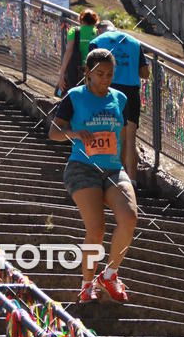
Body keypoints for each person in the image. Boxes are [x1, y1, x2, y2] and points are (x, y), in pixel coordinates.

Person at [48, 48, 137, 303]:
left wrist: (126, 168)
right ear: (87, 73)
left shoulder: (120, 98)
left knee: (129, 217)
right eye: (99, 74)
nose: (105, 79)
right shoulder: (75, 96)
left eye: (109, 74)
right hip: (82, 167)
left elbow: (122, 136)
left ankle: (109, 275)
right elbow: (54, 132)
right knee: (97, 228)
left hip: (112, 168)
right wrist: (75, 133)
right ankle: (87, 284)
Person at [89, 21, 149, 185]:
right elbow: (145, 73)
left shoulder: (98, 42)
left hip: (110, 90)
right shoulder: (134, 42)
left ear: (100, 30)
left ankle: (111, 177)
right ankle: (132, 181)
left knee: (109, 134)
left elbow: (91, 71)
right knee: (130, 139)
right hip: (132, 92)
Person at [56, 9, 99, 95]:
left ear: (81, 20)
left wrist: (62, 74)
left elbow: (68, 52)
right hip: (92, 70)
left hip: (75, 71)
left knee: (74, 94)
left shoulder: (74, 31)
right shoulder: (97, 33)